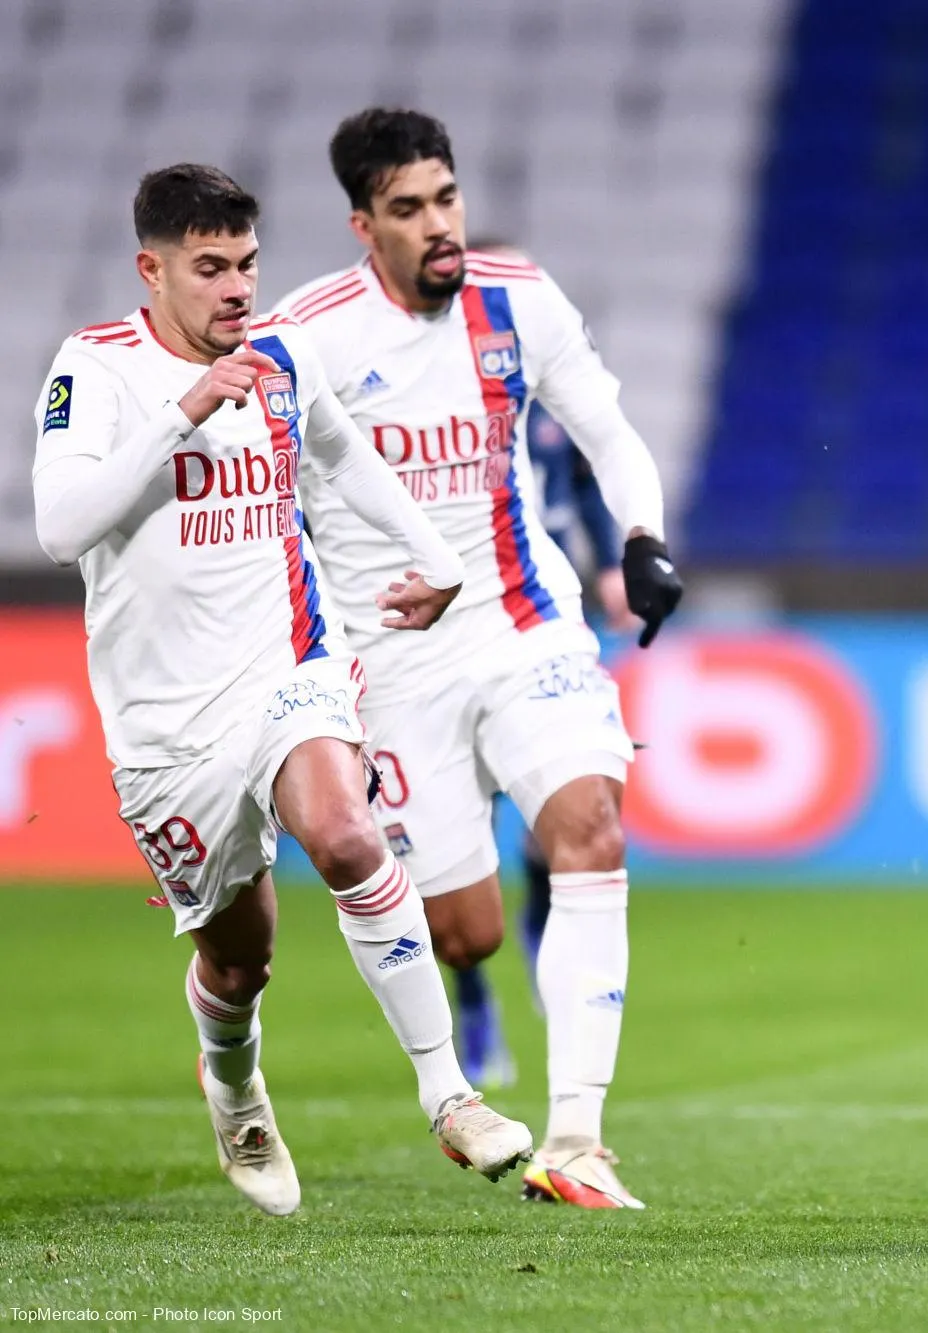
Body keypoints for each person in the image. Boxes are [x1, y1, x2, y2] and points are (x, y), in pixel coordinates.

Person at [30, 164, 535, 1216]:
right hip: (166, 724)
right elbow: (62, 525)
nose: (235, 289)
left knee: (346, 833)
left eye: (247, 264)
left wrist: (434, 554)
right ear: (152, 270)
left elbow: (345, 458)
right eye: (209, 268)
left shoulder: (278, 358)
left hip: (290, 663)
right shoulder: (97, 369)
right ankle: (235, 1085)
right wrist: (180, 413)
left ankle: (448, 1094)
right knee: (238, 955)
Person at [276, 109, 684, 1210]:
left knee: (589, 824)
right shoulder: (308, 335)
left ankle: (579, 1141)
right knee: (468, 928)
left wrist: (641, 537)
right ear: (365, 225)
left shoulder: (520, 299)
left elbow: (604, 429)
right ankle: (461, 1050)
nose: (438, 226)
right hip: (393, 661)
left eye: (445, 198)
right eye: (408, 210)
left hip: (523, 618)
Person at [450, 236, 642, 1090]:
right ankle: (473, 998)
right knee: (459, 839)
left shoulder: (544, 402)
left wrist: (610, 561)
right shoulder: (443, 410)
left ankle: (540, 926)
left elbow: (592, 482)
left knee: (556, 805)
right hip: (454, 632)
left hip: (547, 615)